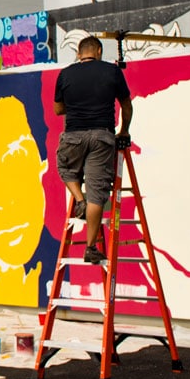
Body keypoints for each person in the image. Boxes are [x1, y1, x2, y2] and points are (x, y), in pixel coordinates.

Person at [54, 36, 133, 266]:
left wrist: (77, 105)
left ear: (79, 54)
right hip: (102, 136)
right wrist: (124, 131)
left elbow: (58, 109)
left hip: (74, 136)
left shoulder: (65, 74)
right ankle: (90, 248)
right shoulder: (112, 72)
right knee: (97, 192)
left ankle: (79, 200)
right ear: (98, 51)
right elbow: (126, 106)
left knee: (65, 167)